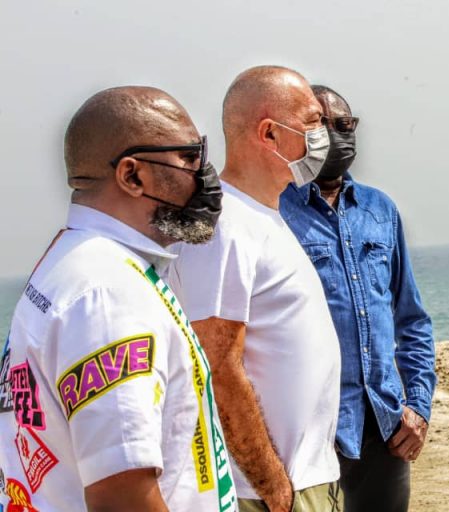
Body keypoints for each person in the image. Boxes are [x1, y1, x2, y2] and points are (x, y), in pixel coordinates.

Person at [0, 86, 237, 511]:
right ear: (132, 176)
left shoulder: (75, 263)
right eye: (189, 157)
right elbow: (122, 496)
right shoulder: (109, 294)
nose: (205, 173)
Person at [166, 66, 342, 512]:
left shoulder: (265, 216)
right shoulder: (226, 227)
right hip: (269, 491)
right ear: (269, 133)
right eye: (313, 122)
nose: (323, 136)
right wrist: (274, 488)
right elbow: (218, 365)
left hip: (305, 478)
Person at [280, 85, 437, 512]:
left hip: (384, 428)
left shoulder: (379, 209)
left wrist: (418, 406)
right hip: (307, 434)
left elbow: (412, 319)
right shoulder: (273, 212)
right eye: (322, 124)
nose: (337, 134)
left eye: (345, 124)